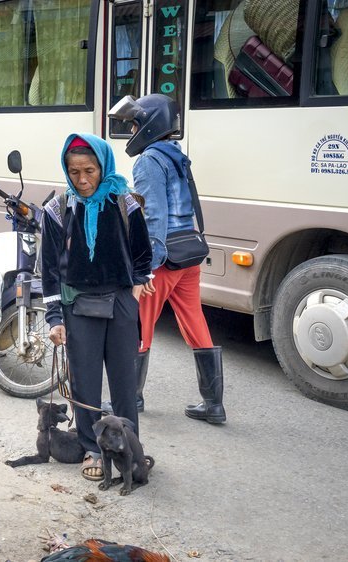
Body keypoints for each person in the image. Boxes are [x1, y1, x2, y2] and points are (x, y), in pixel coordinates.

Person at [41, 133, 153, 481]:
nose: (83, 179)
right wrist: (55, 317)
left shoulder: (125, 203)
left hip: (120, 302)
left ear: (103, 166)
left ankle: (129, 451)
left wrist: (133, 290)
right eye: (74, 172)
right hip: (79, 305)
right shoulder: (58, 210)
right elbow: (48, 270)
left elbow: (142, 253)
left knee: (123, 382)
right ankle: (92, 447)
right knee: (85, 383)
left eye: (89, 170)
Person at [109, 94, 226, 424]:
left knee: (138, 324)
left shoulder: (147, 161)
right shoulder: (176, 155)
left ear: (149, 124)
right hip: (188, 252)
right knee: (194, 321)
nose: (132, 129)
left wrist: (147, 265)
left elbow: (155, 214)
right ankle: (213, 404)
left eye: (134, 123)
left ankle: (130, 398)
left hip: (164, 257)